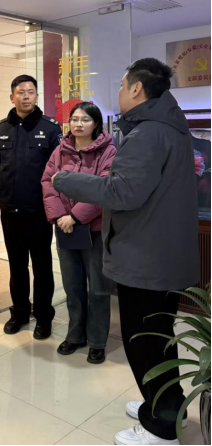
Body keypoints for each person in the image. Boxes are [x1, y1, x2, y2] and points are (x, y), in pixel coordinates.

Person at [52, 58, 200, 446]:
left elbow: (122, 192)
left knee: (145, 341)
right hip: (160, 253)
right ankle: (165, 404)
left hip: (146, 258)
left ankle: (162, 427)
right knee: (159, 338)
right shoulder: (168, 126)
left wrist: (67, 179)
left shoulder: (149, 132)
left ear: (136, 89)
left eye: (121, 85)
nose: (118, 92)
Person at [0, 75, 62, 339]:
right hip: (11, 210)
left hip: (40, 211)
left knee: (42, 266)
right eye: (20, 92)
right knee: (16, 265)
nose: (26, 96)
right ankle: (19, 312)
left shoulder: (51, 129)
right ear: (12, 97)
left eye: (30, 91)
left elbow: (59, 170)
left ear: (37, 96)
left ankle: (43, 315)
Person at [42, 102, 116, 365]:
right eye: (74, 119)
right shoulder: (61, 150)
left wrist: (75, 216)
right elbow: (48, 183)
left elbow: (105, 188)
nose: (78, 124)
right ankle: (75, 335)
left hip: (94, 230)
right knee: (72, 286)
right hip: (66, 229)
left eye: (85, 119)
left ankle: (97, 341)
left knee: (98, 289)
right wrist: (60, 217)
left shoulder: (108, 151)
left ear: (95, 124)